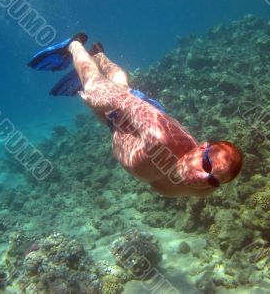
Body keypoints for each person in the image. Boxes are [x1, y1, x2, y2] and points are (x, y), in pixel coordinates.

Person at [28, 32, 242, 197]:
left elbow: (165, 186)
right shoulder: (159, 138)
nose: (203, 178)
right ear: (202, 147)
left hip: (124, 126)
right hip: (126, 114)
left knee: (122, 84)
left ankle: (99, 55)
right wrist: (97, 98)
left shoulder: (204, 188)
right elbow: (123, 100)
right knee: (97, 86)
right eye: (206, 166)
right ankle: (74, 45)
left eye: (214, 180)